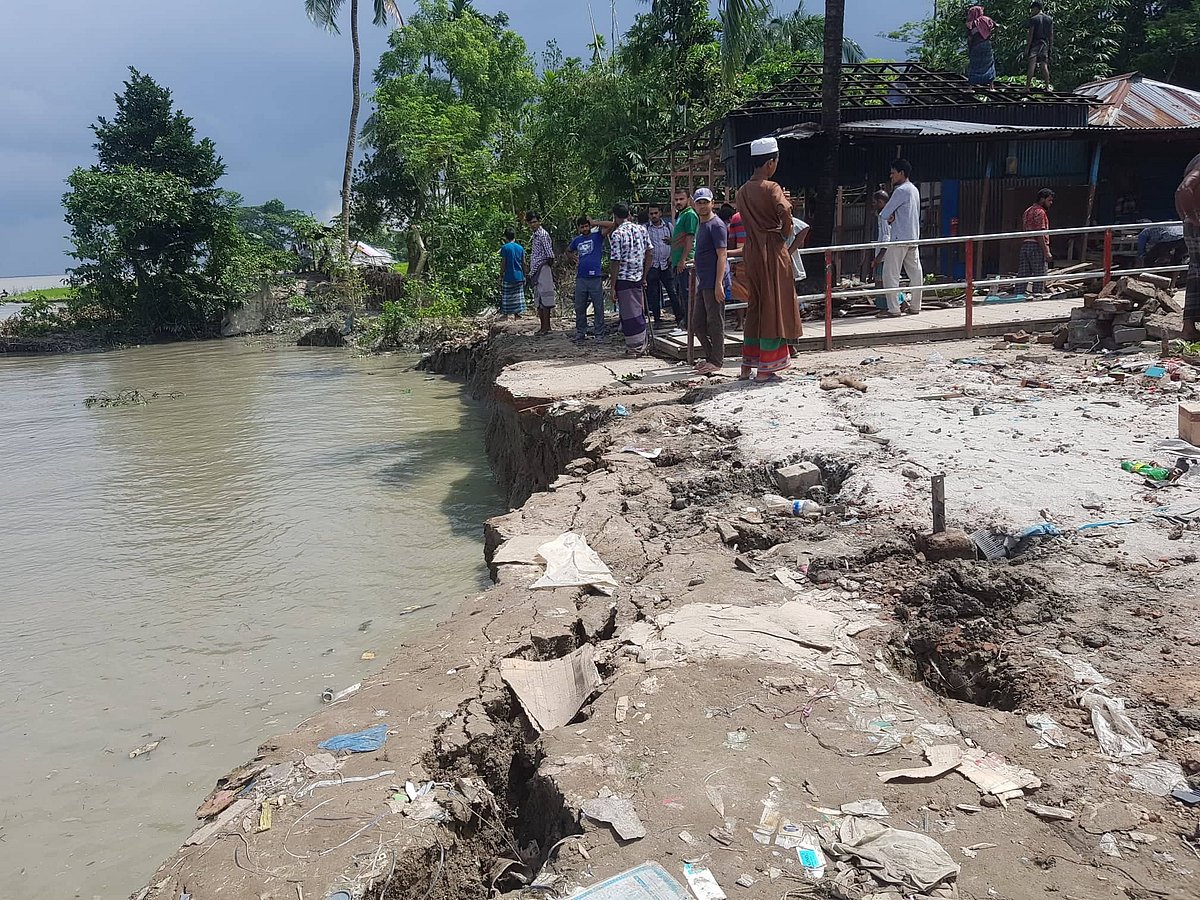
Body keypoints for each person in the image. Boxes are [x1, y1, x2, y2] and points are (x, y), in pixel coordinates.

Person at [737, 137, 803, 382]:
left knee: (756, 305)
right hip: (772, 251)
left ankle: (748, 364)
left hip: (752, 251)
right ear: (770, 162)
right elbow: (784, 211)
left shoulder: (742, 191)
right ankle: (767, 368)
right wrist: (785, 231)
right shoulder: (772, 187)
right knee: (774, 306)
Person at [878, 159, 924, 318]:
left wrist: (891, 217)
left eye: (893, 173)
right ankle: (915, 306)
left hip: (898, 238)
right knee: (916, 273)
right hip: (913, 236)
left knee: (890, 274)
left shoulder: (900, 191)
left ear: (901, 173)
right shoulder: (914, 190)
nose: (891, 176)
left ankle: (894, 309)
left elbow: (884, 214)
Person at [691, 188, 729, 375]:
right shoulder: (702, 225)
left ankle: (717, 361)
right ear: (695, 205)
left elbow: (722, 255)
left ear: (712, 203)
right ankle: (710, 356)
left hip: (714, 281)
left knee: (715, 322)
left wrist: (719, 283)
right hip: (703, 281)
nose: (703, 205)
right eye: (699, 202)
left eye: (706, 202)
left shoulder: (717, 225)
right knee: (697, 323)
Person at [608, 202, 653, 357]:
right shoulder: (641, 230)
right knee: (638, 311)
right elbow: (650, 252)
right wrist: (645, 274)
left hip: (624, 278)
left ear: (615, 217)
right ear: (629, 214)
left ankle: (636, 347)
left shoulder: (617, 234)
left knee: (629, 314)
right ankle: (642, 344)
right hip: (638, 276)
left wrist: (612, 286)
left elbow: (615, 261)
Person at [567, 216, 605, 343]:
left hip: (595, 277)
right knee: (579, 306)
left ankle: (599, 332)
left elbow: (612, 225)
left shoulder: (597, 236)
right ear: (578, 228)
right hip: (581, 277)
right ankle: (580, 331)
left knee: (598, 306)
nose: (584, 228)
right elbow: (569, 251)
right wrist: (574, 259)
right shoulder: (577, 240)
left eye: (586, 226)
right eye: (582, 226)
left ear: (590, 226)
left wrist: (595, 222)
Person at [1177, 152, 1200, 340]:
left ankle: (1189, 327)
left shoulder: (1195, 159)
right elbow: (1184, 189)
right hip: (1197, 222)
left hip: (1192, 224)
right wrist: (1193, 217)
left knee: (1195, 273)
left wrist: (1186, 218)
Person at [645, 202, 678, 326]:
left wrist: (672, 256)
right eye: (651, 214)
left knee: (672, 292)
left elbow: (676, 243)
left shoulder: (668, 227)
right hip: (652, 266)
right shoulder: (646, 229)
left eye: (655, 213)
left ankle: (679, 317)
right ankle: (657, 320)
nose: (653, 216)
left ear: (660, 213)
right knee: (654, 294)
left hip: (666, 265)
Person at [1017, 188, 1055, 297]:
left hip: (1025, 245)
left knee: (1023, 274)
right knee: (1040, 274)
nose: (1050, 203)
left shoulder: (1028, 211)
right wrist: (1046, 251)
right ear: (1042, 199)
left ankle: (1018, 296)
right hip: (1036, 246)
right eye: (1049, 200)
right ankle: (1037, 296)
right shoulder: (1040, 212)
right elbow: (1040, 233)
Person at [670, 189, 698, 327]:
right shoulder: (681, 215)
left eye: (681, 199)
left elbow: (690, 238)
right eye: (676, 200)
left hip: (686, 261)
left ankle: (691, 323)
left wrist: (683, 260)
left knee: (688, 293)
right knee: (681, 292)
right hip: (677, 260)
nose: (678, 202)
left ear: (688, 199)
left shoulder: (690, 215)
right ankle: (687, 322)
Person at [526, 211, 556, 335]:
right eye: (531, 222)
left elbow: (550, 254)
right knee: (539, 298)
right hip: (536, 270)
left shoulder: (543, 234)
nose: (533, 224)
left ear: (539, 221)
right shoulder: (535, 235)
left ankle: (547, 327)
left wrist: (545, 265)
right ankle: (542, 326)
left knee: (545, 297)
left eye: (535, 222)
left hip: (543, 268)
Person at [966, 5, 997, 88]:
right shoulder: (987, 20)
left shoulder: (971, 24)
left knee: (974, 65)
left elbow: (970, 38)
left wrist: (970, 48)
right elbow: (996, 26)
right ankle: (991, 87)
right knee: (989, 64)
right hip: (987, 45)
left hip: (976, 46)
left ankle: (970, 87)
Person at [498, 228, 526, 318]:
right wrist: (525, 275)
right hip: (519, 275)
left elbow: (503, 263)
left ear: (505, 237)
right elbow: (524, 263)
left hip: (508, 276)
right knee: (518, 296)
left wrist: (500, 274)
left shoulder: (505, 248)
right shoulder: (520, 248)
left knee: (507, 296)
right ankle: (517, 314)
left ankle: (505, 314)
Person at [1026, 2, 1054, 90]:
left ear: (1037, 8)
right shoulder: (1049, 19)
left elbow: (1031, 35)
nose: (1032, 11)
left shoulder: (1034, 19)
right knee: (1044, 65)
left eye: (1033, 9)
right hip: (1044, 45)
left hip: (1035, 44)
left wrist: (1027, 47)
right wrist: (1050, 47)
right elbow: (1051, 34)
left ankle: (1027, 87)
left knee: (1032, 65)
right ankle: (1047, 86)